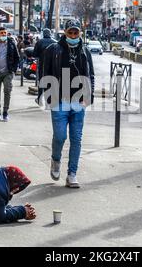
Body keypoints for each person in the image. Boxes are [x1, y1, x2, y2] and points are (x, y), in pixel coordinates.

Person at [41, 19, 95, 188]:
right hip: (59, 102)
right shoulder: (53, 50)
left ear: (80, 33)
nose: (73, 35)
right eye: (70, 32)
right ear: (65, 32)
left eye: (75, 32)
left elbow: (90, 75)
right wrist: (49, 97)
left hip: (79, 102)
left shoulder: (85, 51)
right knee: (60, 136)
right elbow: (45, 73)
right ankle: (56, 160)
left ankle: (72, 174)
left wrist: (88, 97)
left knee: (76, 139)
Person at [34, 29, 57, 103]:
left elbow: (35, 54)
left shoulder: (39, 42)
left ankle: (40, 99)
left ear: (43, 34)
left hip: (43, 64)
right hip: (53, 65)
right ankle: (50, 99)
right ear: (50, 34)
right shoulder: (55, 42)